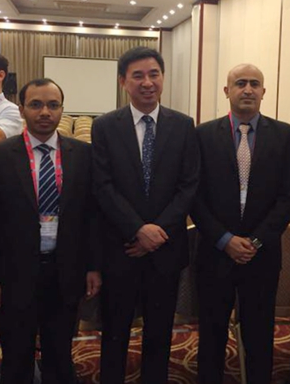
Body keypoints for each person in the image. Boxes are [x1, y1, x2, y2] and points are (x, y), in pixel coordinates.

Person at [0, 78, 101, 384]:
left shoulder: (83, 154)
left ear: (62, 109)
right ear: (21, 109)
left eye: (53, 105)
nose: (45, 112)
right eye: (36, 104)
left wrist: (92, 266)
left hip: (65, 269)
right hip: (15, 272)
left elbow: (90, 216)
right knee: (16, 353)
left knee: (60, 352)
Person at [91, 47, 200, 384]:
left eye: (154, 74)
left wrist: (156, 233)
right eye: (138, 76)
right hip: (121, 248)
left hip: (165, 249)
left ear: (163, 78)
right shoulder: (105, 126)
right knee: (115, 332)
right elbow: (103, 186)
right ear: (123, 82)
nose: (147, 82)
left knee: (160, 332)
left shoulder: (183, 125)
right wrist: (138, 229)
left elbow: (189, 186)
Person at [191, 64, 290, 384]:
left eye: (255, 84)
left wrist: (256, 241)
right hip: (215, 252)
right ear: (227, 91)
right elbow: (194, 195)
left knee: (260, 334)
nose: (248, 89)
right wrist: (224, 239)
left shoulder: (283, 134)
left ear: (264, 91)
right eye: (240, 83)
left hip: (261, 254)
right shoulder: (202, 135)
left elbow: (289, 195)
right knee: (211, 334)